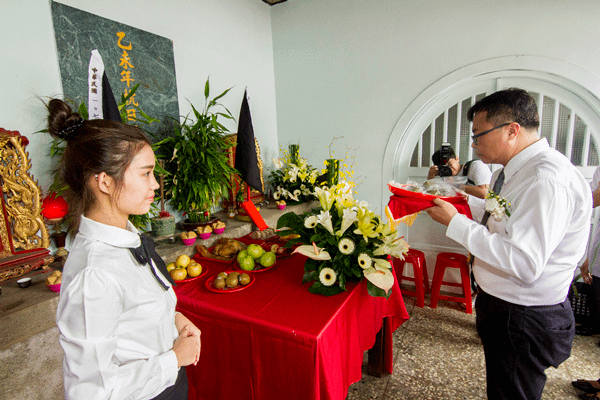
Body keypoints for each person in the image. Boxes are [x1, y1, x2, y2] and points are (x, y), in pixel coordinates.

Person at [426, 88, 592, 400]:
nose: (474, 144)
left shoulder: (545, 179)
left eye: (478, 134)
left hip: (523, 316)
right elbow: (506, 220)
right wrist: (462, 204)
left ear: (511, 130)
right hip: (508, 307)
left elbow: (525, 263)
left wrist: (455, 223)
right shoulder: (521, 169)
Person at [49, 98, 201, 399]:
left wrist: (172, 318)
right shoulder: (94, 275)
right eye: (145, 173)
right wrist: (175, 358)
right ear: (104, 182)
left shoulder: (126, 238)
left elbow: (133, 318)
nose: (155, 185)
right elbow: (91, 393)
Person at [427, 145, 492, 199]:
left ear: (457, 158)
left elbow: (485, 193)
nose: (448, 168)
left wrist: (456, 185)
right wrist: (430, 177)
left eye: (450, 163)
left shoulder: (475, 166)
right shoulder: (444, 176)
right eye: (443, 167)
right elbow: (431, 198)